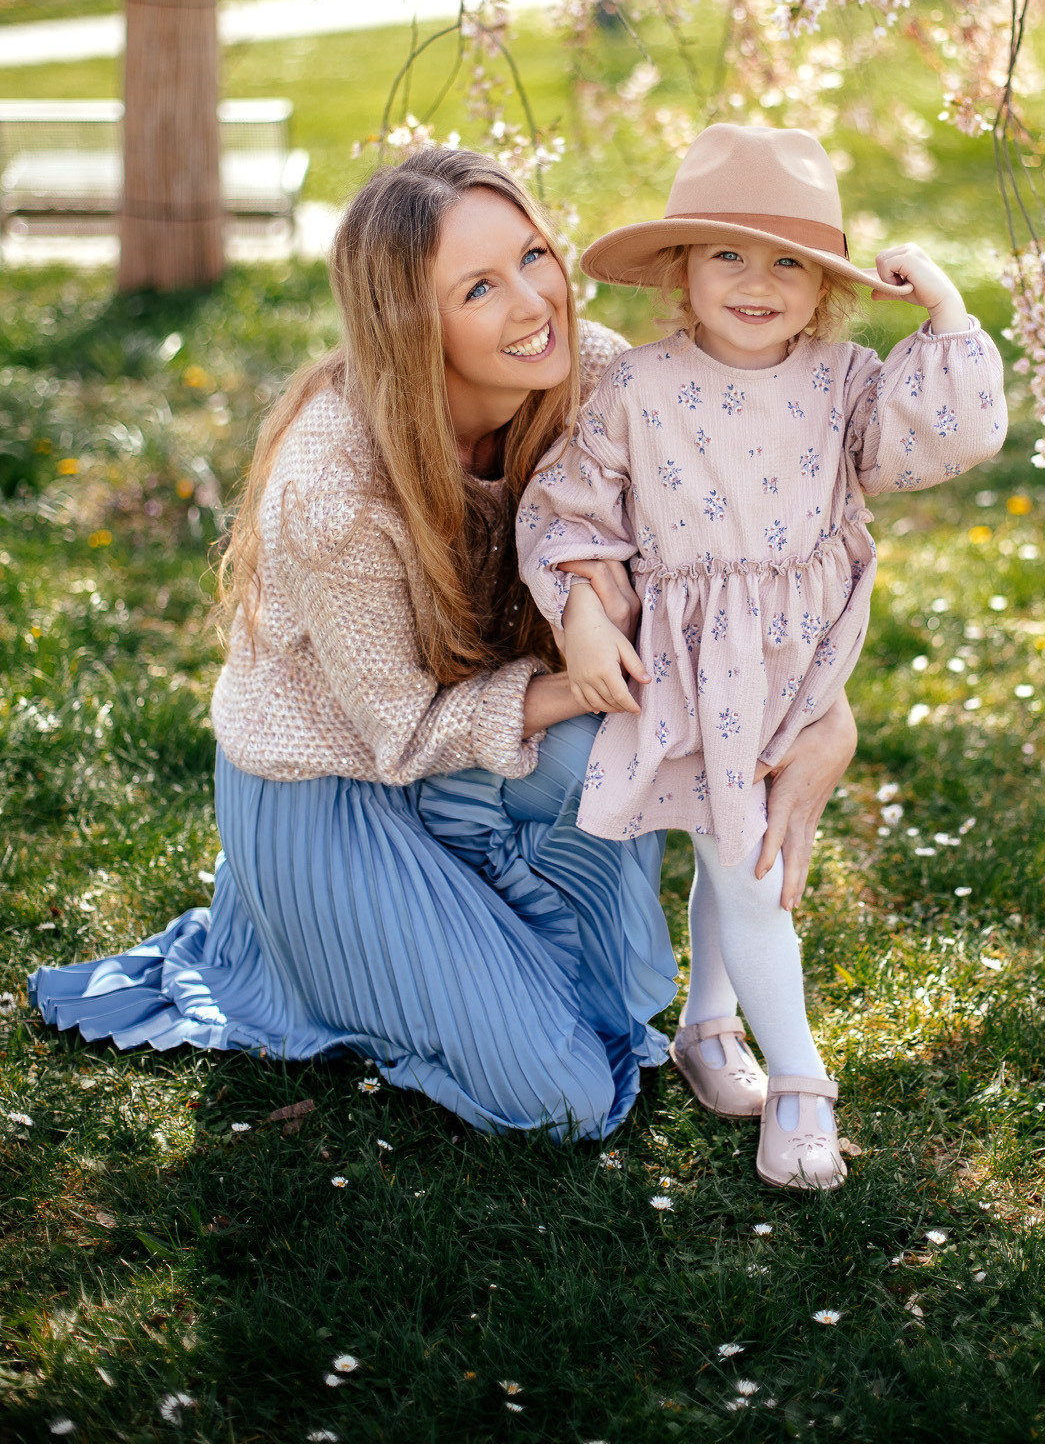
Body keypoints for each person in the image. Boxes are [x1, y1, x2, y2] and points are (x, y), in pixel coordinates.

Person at [29, 146, 855, 1141]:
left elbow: (738, 562)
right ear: (411, 322)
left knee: (630, 797)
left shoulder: (593, 378)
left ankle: (458, 929)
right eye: (478, 286)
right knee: (564, 1097)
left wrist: (824, 715)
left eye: (533, 256)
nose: (534, 303)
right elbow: (399, 734)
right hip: (334, 788)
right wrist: (571, 688)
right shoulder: (332, 486)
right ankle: (322, 955)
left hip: (483, 739)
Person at [517, 124, 1007, 1183]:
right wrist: (584, 614)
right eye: (727, 254)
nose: (757, 281)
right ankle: (798, 1077)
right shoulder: (638, 388)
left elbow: (947, 438)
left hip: (802, 655)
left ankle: (707, 1025)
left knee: (731, 839)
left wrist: (947, 310)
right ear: (679, 270)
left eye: (788, 261)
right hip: (692, 662)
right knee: (747, 860)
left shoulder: (845, 380)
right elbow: (564, 511)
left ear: (825, 288)